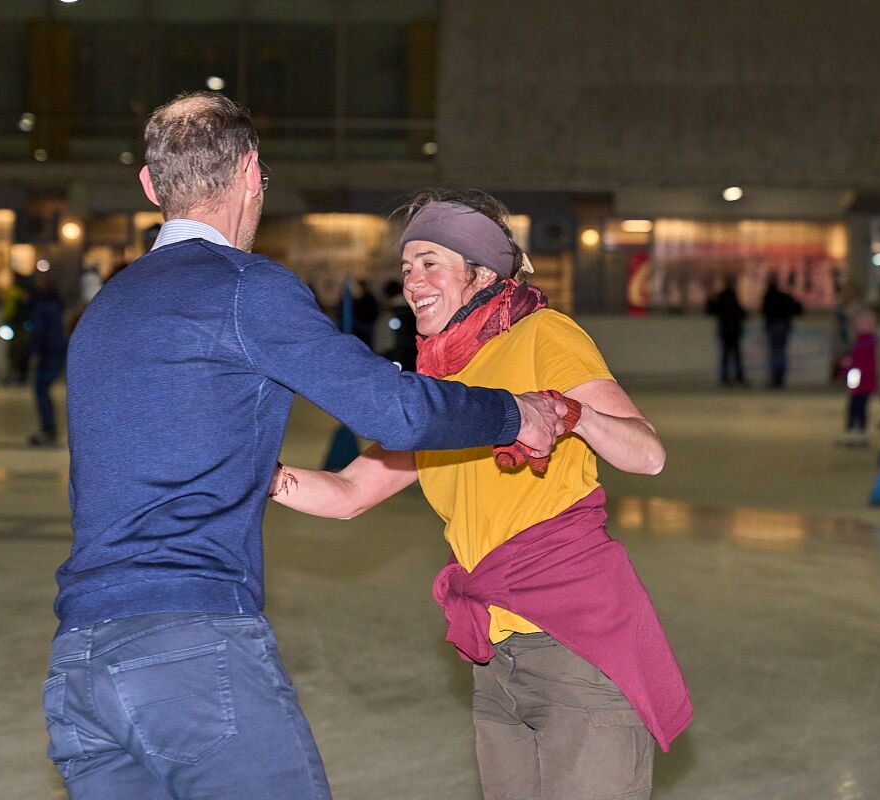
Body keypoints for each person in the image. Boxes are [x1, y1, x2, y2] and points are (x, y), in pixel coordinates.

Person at [46, 92, 562, 800]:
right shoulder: (243, 288)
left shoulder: (106, 309)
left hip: (79, 671)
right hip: (187, 646)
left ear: (149, 185)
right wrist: (514, 413)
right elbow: (394, 410)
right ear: (251, 172)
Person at [270, 190, 692, 800]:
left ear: (484, 273)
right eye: (407, 267)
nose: (413, 281)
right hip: (496, 661)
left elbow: (646, 454)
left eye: (431, 263)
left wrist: (572, 413)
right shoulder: (439, 386)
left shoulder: (542, 334)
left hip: (577, 642)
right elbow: (349, 492)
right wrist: (255, 473)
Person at [26, 274, 67, 446]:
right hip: (56, 350)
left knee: (41, 390)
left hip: (48, 353)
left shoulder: (41, 307)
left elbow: (39, 332)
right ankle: (49, 429)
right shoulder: (56, 306)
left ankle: (49, 429)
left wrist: (31, 353)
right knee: (43, 390)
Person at [837, 311, 877, 447]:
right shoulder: (870, 342)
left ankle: (853, 432)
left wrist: (846, 370)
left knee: (855, 407)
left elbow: (857, 364)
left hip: (859, 381)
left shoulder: (863, 342)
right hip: (865, 381)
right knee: (860, 407)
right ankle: (859, 432)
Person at [761, 276, 803, 389]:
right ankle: (779, 379)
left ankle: (776, 379)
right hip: (783, 326)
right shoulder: (784, 296)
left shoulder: (768, 297)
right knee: (781, 352)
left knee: (775, 353)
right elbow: (797, 309)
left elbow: (764, 311)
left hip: (773, 327)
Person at [705, 275, 747, 386]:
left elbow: (711, 310)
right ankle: (737, 377)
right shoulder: (732, 297)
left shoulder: (721, 296)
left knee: (726, 354)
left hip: (725, 328)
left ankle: (726, 377)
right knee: (735, 354)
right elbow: (740, 312)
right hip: (733, 329)